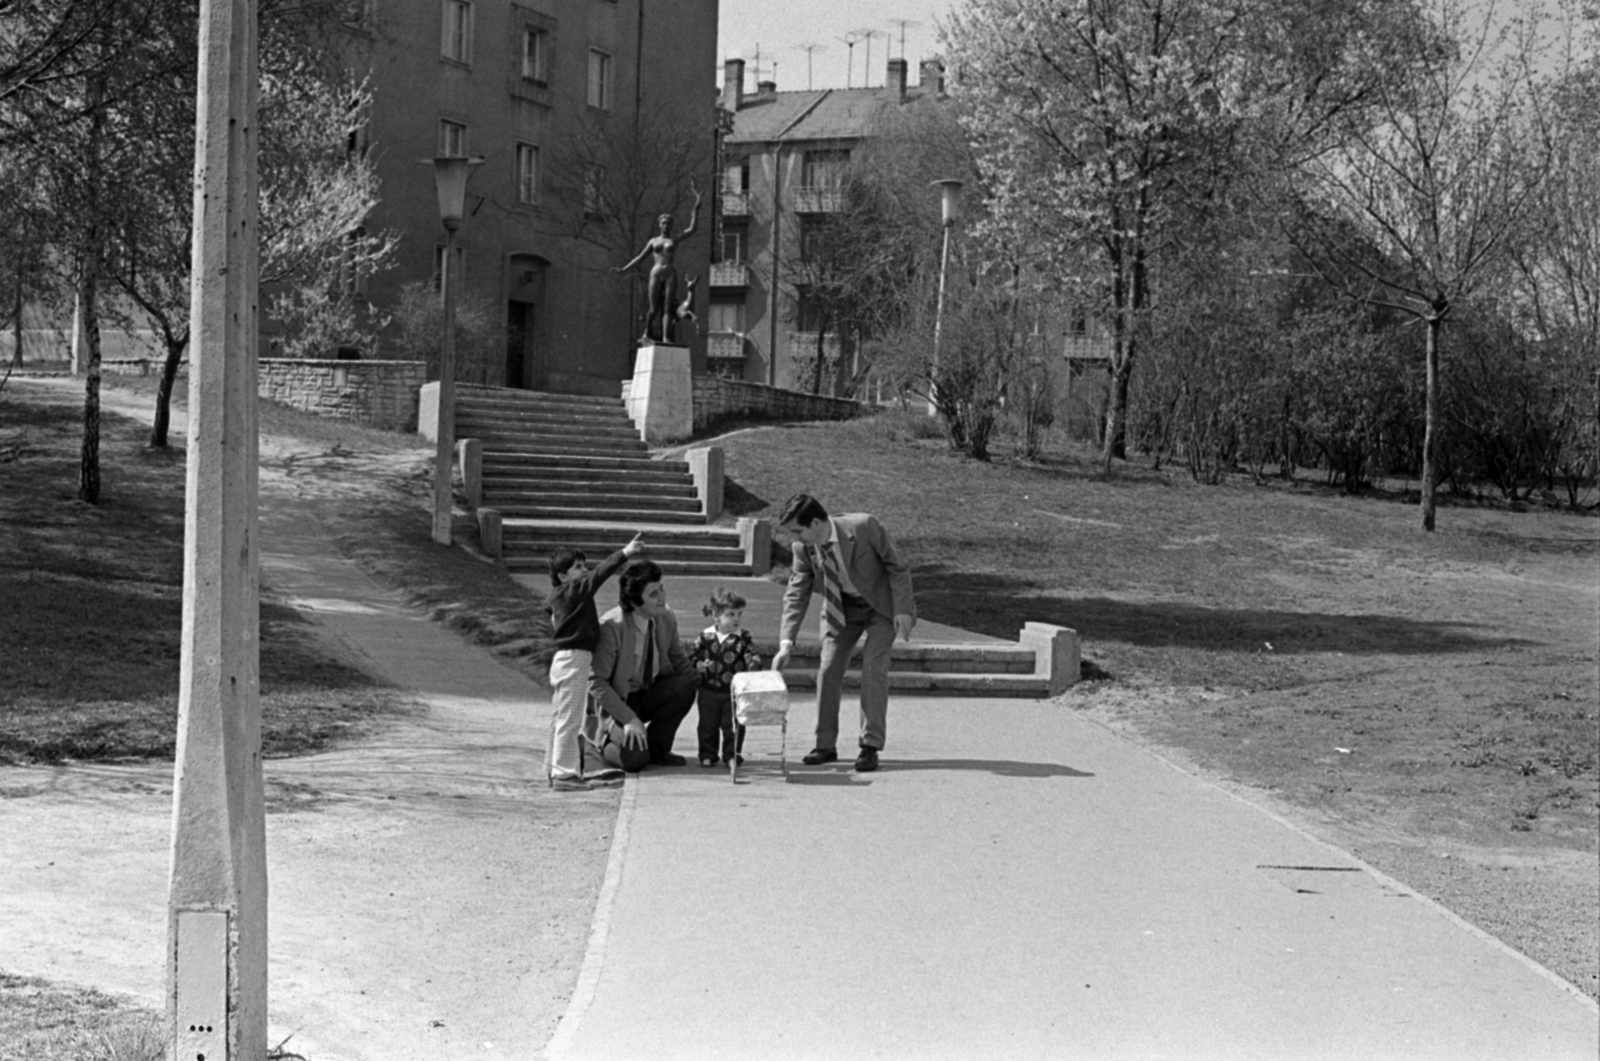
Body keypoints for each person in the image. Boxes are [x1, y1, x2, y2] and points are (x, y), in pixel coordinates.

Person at [771, 493, 915, 772]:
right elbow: (796, 592)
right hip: (842, 610)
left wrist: (902, 610)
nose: (796, 538)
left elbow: (897, 566)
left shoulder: (864, 526)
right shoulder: (804, 549)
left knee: (873, 667)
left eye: (798, 531)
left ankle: (869, 746)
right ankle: (825, 746)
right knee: (828, 668)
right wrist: (786, 642)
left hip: (882, 608)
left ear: (815, 523)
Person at [545, 534, 642, 790]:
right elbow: (600, 573)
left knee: (559, 717)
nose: (584, 570)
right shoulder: (576, 590)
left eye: (583, 565)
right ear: (563, 575)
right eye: (577, 567)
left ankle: (553, 767)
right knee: (570, 719)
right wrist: (626, 552)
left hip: (563, 658)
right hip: (575, 658)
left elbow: (552, 614)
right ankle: (565, 775)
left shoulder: (557, 595)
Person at [588, 559, 698, 771]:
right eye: (654, 594)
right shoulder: (611, 627)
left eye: (662, 589)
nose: (662, 598)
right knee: (635, 762)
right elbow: (596, 682)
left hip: (648, 692)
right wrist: (629, 719)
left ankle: (658, 750)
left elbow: (678, 658)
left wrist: (710, 688)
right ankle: (605, 743)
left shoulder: (665, 616)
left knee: (684, 686)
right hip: (619, 701)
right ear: (635, 603)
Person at [612, 189, 702, 344]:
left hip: (670, 274)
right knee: (654, 308)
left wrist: (696, 208)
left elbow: (692, 229)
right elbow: (640, 257)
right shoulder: (654, 241)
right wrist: (624, 269)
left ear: (671, 225)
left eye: (668, 223)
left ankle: (666, 337)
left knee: (667, 308)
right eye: (663, 222)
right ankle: (647, 333)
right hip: (656, 273)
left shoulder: (675, 239)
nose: (666, 225)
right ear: (659, 225)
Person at [690, 587, 762, 768]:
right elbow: (693, 655)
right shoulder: (705, 636)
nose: (736, 618)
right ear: (716, 615)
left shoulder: (742, 637)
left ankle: (732, 755)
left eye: (739, 614)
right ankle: (707, 754)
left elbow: (750, 653)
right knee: (707, 725)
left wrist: (753, 663)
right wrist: (697, 664)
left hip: (733, 692)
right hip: (707, 690)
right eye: (731, 614)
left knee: (733, 726)